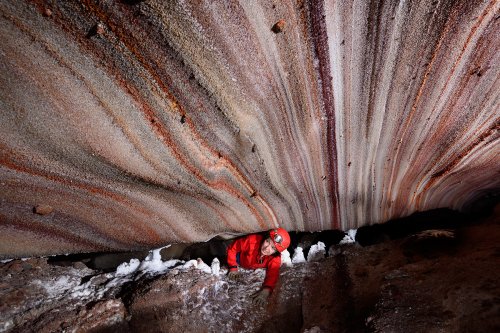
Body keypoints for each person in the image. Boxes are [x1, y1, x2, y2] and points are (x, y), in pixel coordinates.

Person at [226, 228, 291, 306]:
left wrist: (266, 290)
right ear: (265, 238)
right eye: (267, 241)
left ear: (276, 252)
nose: (267, 248)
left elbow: (273, 273)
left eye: (273, 248)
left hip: (252, 264)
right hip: (239, 258)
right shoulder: (251, 241)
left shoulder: (275, 258)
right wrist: (233, 267)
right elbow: (232, 249)